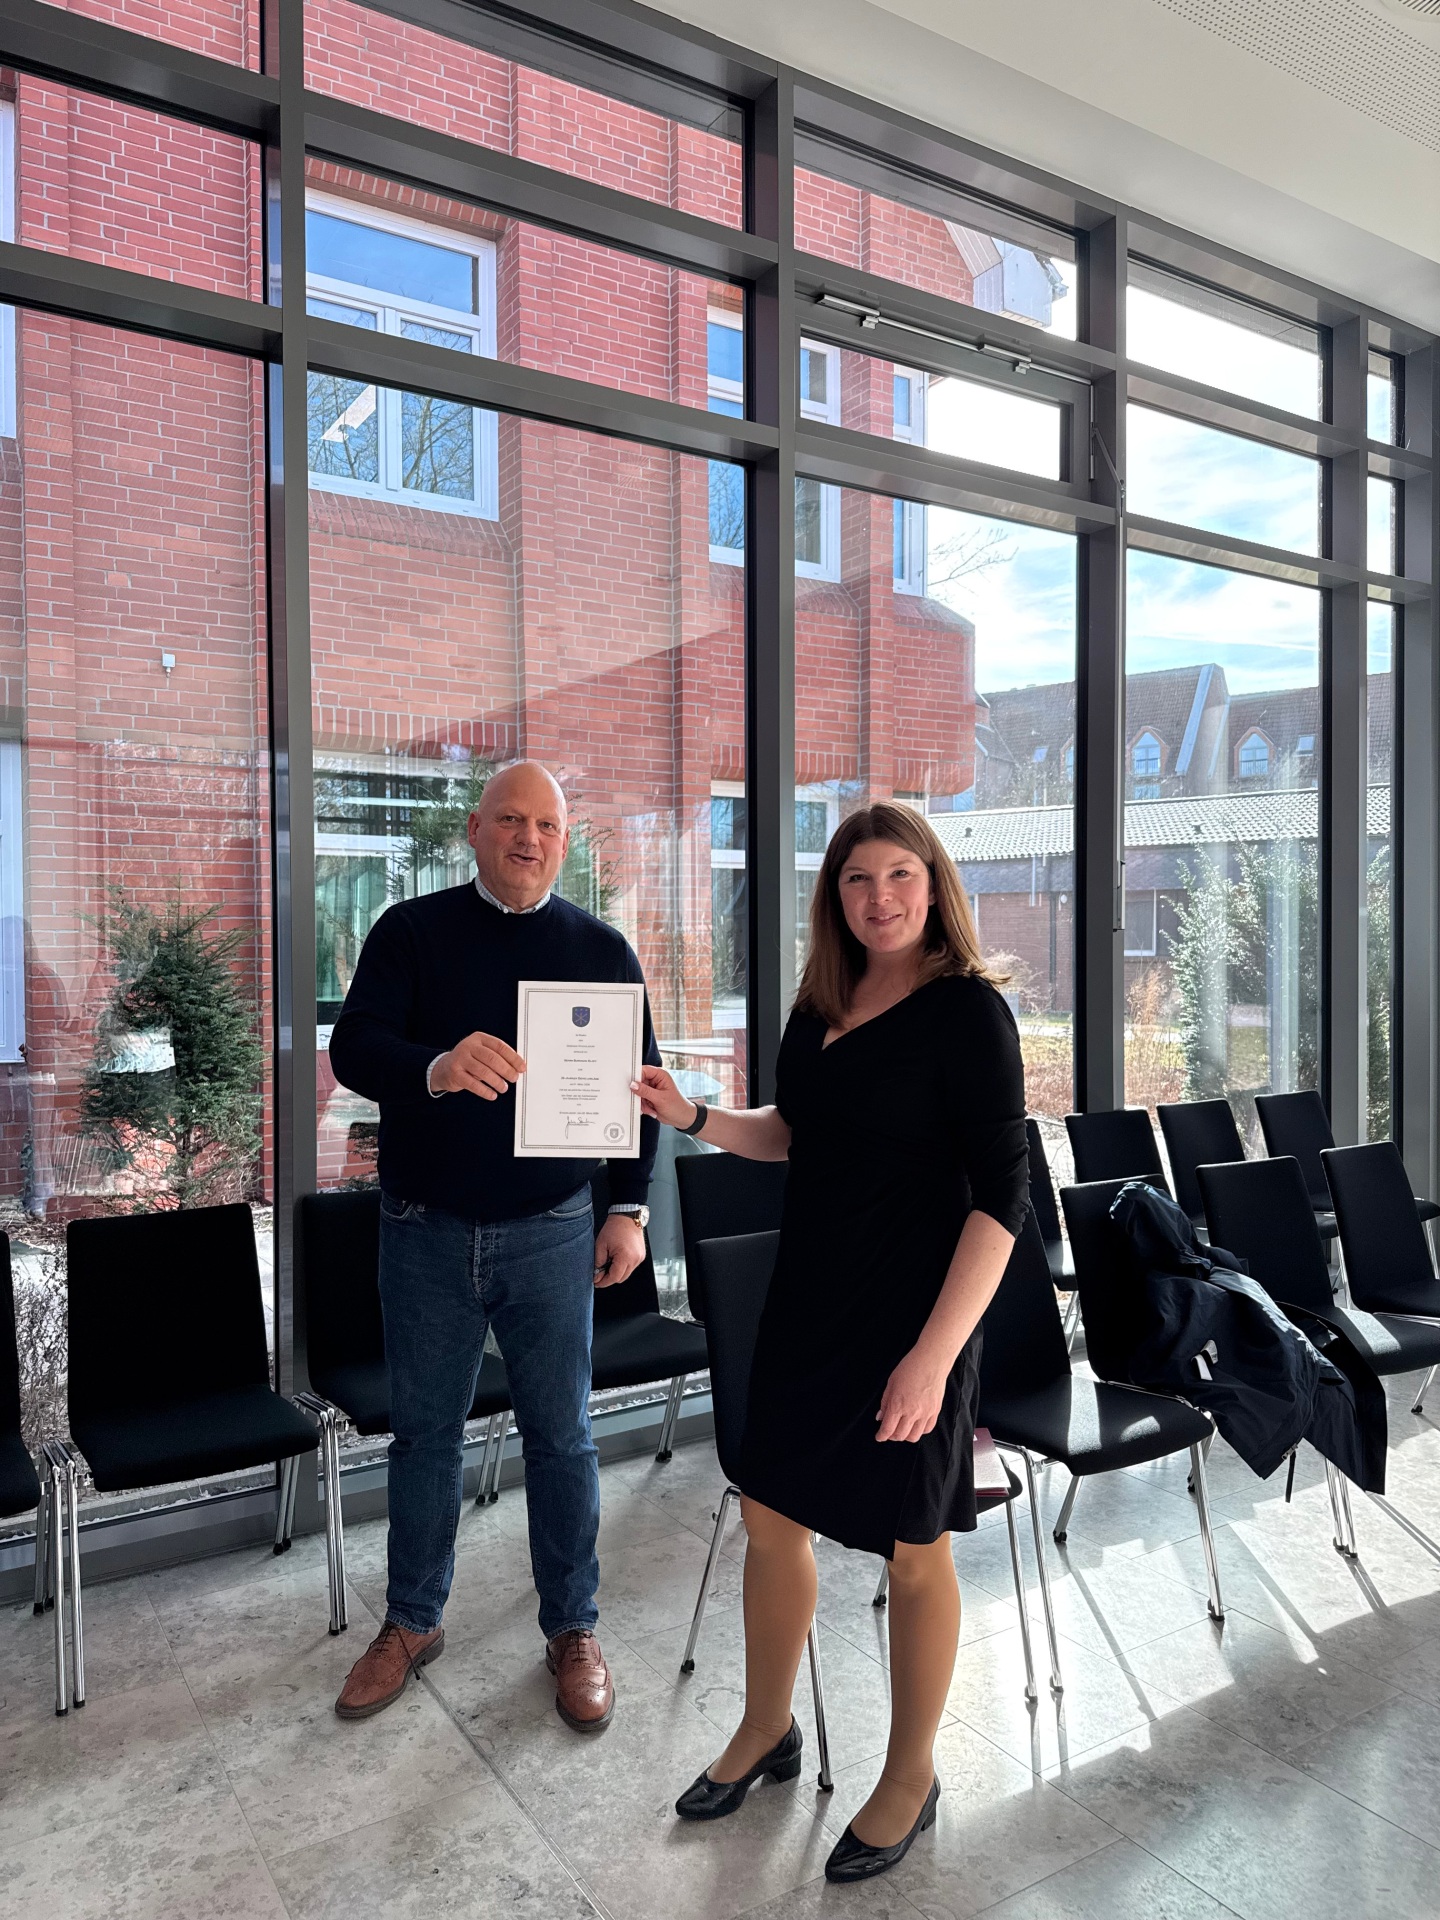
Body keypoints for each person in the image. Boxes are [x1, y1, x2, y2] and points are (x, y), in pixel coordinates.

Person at [635, 803, 1028, 1884]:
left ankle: (911, 1775)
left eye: (900, 875)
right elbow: (794, 1135)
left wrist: (933, 1359)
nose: (880, 898)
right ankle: (768, 1727)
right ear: (835, 896)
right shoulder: (818, 1007)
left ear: (933, 884)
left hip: (918, 1321)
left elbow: (1004, 1200)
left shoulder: (969, 1014)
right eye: (858, 879)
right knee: (771, 1516)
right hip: (809, 1304)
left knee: (914, 1545)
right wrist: (694, 1117)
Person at [328, 761, 659, 1732]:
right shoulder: (411, 931)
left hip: (553, 1230)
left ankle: (573, 1628)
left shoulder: (600, 949)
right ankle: (413, 1620)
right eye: (511, 820)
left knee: (563, 1437)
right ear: (474, 829)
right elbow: (354, 1048)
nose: (528, 839)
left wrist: (630, 1210)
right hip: (423, 1231)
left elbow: (639, 1090)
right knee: (426, 1435)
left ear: (565, 840)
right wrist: (435, 1065)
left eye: (547, 825)